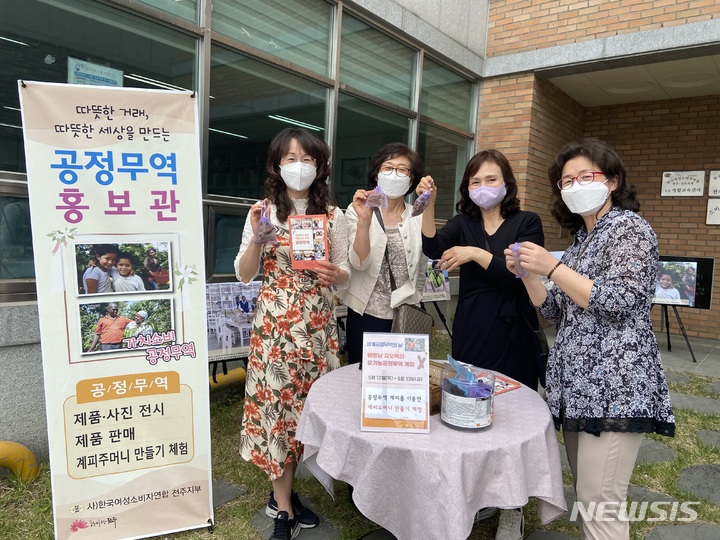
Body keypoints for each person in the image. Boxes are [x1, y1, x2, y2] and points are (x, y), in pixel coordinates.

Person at [505, 138, 675, 540]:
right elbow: (553, 309)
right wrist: (530, 274)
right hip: (578, 388)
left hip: (615, 387)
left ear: (612, 181)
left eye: (587, 176)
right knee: (588, 497)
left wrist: (552, 266)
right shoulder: (583, 241)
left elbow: (620, 301)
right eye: (567, 180)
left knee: (601, 502)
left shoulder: (629, 228)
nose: (576, 185)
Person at [417, 149, 544, 539]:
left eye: (491, 179)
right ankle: (482, 494)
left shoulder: (527, 222)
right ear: (466, 188)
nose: (484, 187)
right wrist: (428, 207)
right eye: (475, 181)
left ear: (507, 183)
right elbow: (433, 248)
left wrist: (474, 253)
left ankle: (513, 506)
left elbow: (516, 276)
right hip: (472, 327)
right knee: (468, 409)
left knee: (513, 418)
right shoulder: (462, 222)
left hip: (514, 329)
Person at [234, 127, 350, 540]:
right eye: (290, 159)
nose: (298, 167)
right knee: (277, 409)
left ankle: (290, 490)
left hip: (318, 324)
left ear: (320, 167)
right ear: (277, 165)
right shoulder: (262, 212)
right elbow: (245, 274)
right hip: (275, 326)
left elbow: (344, 270)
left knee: (311, 409)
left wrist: (338, 274)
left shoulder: (334, 216)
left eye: (307, 159)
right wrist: (257, 242)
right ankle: (283, 507)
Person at [338, 142, 425, 366]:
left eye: (402, 169)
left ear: (411, 179)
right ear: (376, 174)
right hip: (366, 312)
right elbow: (358, 263)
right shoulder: (357, 210)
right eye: (387, 167)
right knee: (362, 377)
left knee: (404, 377)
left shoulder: (418, 217)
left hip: (405, 312)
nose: (394, 174)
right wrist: (364, 222)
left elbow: (422, 267)